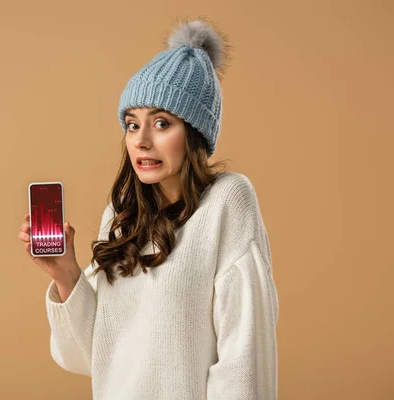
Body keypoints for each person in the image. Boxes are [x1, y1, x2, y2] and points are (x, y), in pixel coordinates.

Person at [17, 17, 279, 400]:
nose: (141, 141)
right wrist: (67, 275)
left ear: (194, 133)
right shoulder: (122, 217)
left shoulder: (227, 201)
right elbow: (90, 357)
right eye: (131, 124)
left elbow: (244, 357)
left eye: (161, 123)